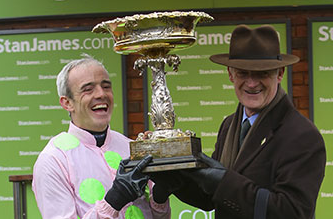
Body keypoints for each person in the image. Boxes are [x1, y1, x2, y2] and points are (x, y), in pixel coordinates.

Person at [152, 24, 326, 219]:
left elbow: (293, 212)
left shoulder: (303, 135)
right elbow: (211, 198)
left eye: (262, 73)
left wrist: (224, 182)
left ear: (280, 74)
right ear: (230, 73)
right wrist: (175, 180)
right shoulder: (229, 125)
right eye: (243, 73)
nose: (251, 83)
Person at [32, 55, 170, 219]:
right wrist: (113, 202)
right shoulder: (53, 160)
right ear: (67, 103)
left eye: (106, 87)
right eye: (88, 89)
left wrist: (160, 197)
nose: (101, 94)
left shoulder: (130, 146)